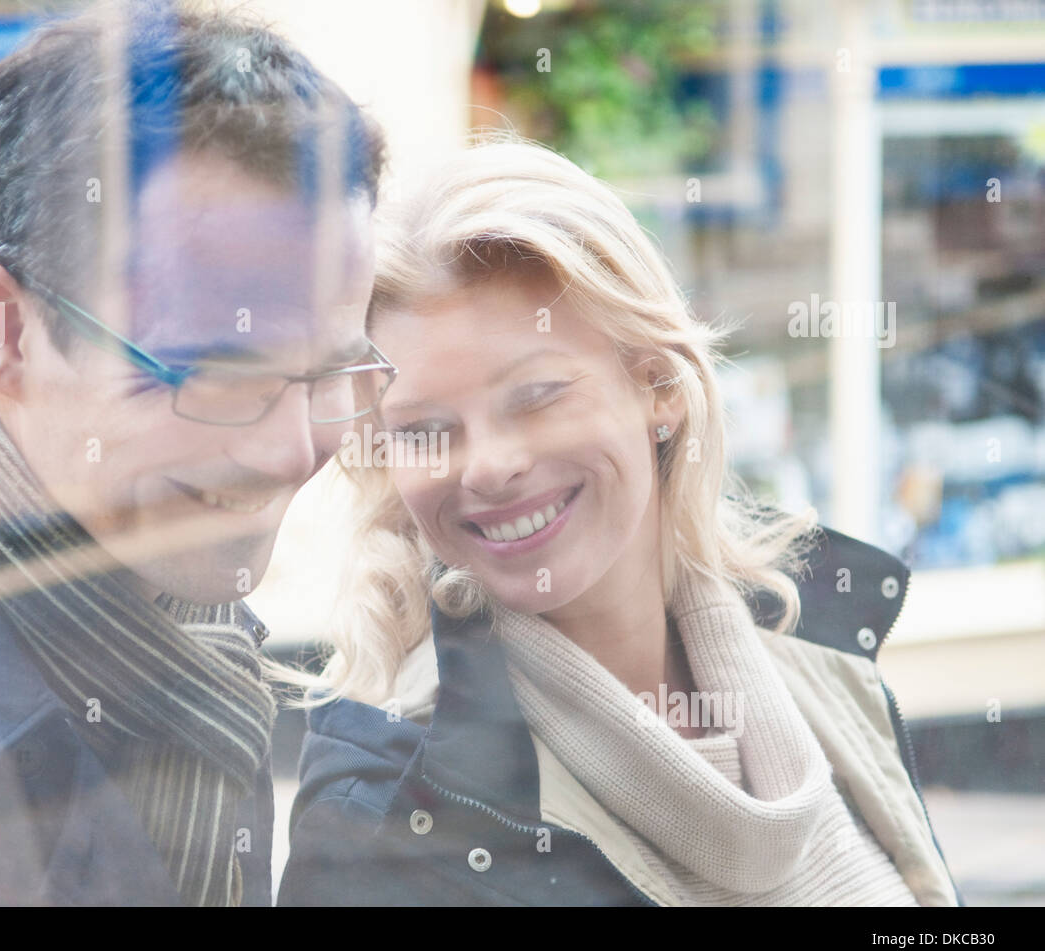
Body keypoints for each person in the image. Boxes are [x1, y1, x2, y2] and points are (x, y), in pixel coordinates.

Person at [0, 0, 388, 905]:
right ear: (2, 328)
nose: (288, 450)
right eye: (218, 373)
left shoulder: (185, 645)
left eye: (331, 373)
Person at [278, 139, 963, 907]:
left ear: (658, 385)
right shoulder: (383, 821)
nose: (487, 467)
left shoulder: (819, 657)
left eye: (536, 396)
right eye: (424, 430)